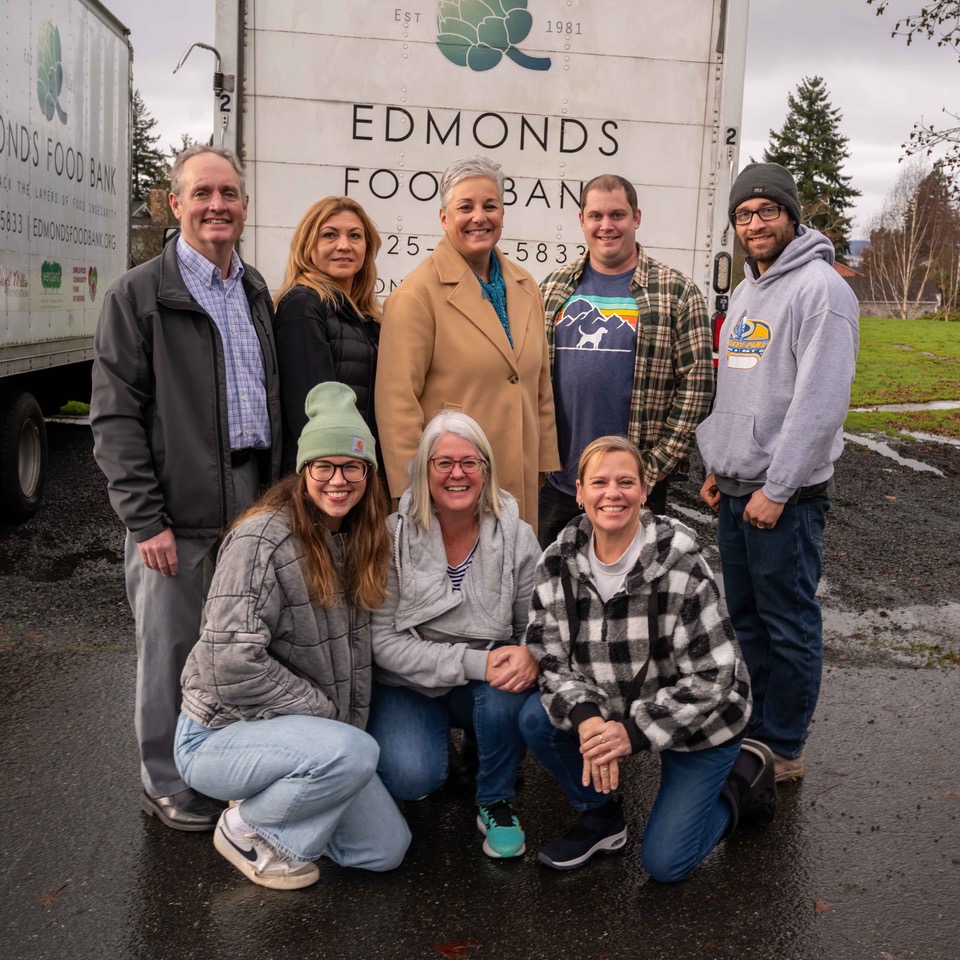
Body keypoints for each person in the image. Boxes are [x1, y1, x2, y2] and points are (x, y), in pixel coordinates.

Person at [90, 145, 281, 831]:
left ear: (244, 205)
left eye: (228, 192)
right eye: (201, 193)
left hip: (249, 498)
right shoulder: (139, 293)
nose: (216, 205)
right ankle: (164, 779)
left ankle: (217, 768)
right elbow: (114, 419)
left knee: (233, 651)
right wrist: (145, 522)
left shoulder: (254, 289)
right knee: (170, 651)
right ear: (175, 204)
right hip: (176, 509)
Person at [174, 382, 411, 889]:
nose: (338, 480)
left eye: (352, 466)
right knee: (355, 752)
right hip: (218, 736)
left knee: (383, 850)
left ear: (368, 473)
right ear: (303, 472)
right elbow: (227, 663)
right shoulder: (262, 537)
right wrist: (326, 719)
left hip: (308, 739)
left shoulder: (362, 539)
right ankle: (245, 827)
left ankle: (284, 796)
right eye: (322, 466)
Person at [521, 436, 774, 881]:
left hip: (699, 718)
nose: (612, 493)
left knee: (666, 865)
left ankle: (742, 783)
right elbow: (548, 655)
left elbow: (714, 676)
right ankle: (601, 817)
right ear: (579, 491)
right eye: (598, 482)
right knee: (534, 719)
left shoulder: (682, 563)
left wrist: (633, 733)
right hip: (609, 707)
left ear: (644, 489)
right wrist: (587, 720)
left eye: (625, 482)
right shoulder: (558, 559)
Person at [697, 162, 859, 784]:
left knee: (788, 622)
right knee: (748, 617)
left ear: (792, 216)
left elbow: (819, 404)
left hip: (783, 497)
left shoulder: (822, 290)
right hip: (738, 487)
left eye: (767, 211)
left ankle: (784, 746)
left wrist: (778, 487)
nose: (755, 223)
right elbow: (736, 388)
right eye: (744, 214)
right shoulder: (747, 290)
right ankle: (758, 726)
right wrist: (718, 464)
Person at [367, 411, 541, 859]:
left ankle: (495, 799)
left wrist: (524, 656)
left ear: (486, 469)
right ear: (424, 470)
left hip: (486, 681)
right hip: (410, 684)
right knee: (414, 779)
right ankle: (439, 737)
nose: (457, 474)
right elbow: (383, 642)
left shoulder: (518, 538)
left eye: (469, 462)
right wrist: (476, 661)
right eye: (443, 463)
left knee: (511, 687)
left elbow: (532, 629)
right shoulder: (391, 537)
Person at [375, 155, 559, 530]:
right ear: (444, 218)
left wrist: (543, 464)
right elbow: (397, 405)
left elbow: (539, 383)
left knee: (513, 582)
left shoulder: (525, 286)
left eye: (490, 206)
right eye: (465, 207)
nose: (480, 217)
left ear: (503, 214)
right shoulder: (416, 296)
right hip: (451, 490)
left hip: (518, 481)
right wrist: (413, 491)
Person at [537, 174, 714, 547]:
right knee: (553, 586)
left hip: (633, 487)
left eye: (617, 214)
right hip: (559, 481)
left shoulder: (676, 292)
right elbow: (529, 377)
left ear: (636, 217)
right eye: (596, 215)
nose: (606, 225)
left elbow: (697, 387)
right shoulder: (553, 289)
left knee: (633, 593)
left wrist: (653, 467)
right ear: (581, 220)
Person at [274, 196, 383, 475]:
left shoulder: (367, 317)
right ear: (308, 246)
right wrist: (336, 477)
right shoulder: (303, 305)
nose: (344, 245)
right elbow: (312, 411)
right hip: (328, 480)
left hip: (359, 471)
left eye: (355, 236)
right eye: (329, 235)